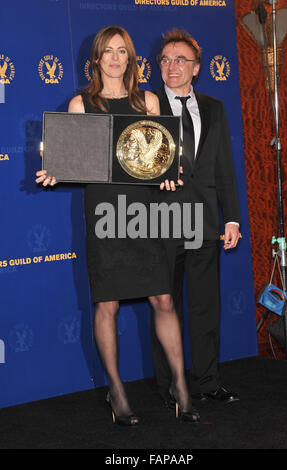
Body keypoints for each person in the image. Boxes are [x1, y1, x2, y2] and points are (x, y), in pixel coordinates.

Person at [36, 25, 200, 425]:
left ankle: (180, 385)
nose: (114, 58)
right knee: (106, 304)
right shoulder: (80, 104)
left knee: (163, 298)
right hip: (105, 214)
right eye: (107, 51)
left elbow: (161, 159)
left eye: (121, 51)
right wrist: (58, 171)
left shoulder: (147, 101)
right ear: (96, 59)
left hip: (145, 214)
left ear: (130, 58)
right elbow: (74, 162)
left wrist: (167, 174)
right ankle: (117, 390)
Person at [150, 29, 241, 407]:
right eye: (166, 60)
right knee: (165, 308)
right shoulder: (147, 107)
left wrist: (232, 218)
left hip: (205, 222)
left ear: (197, 67)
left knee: (206, 307)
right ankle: (171, 386)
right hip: (160, 222)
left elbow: (223, 168)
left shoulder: (215, 108)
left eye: (180, 60)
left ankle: (207, 382)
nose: (172, 66)